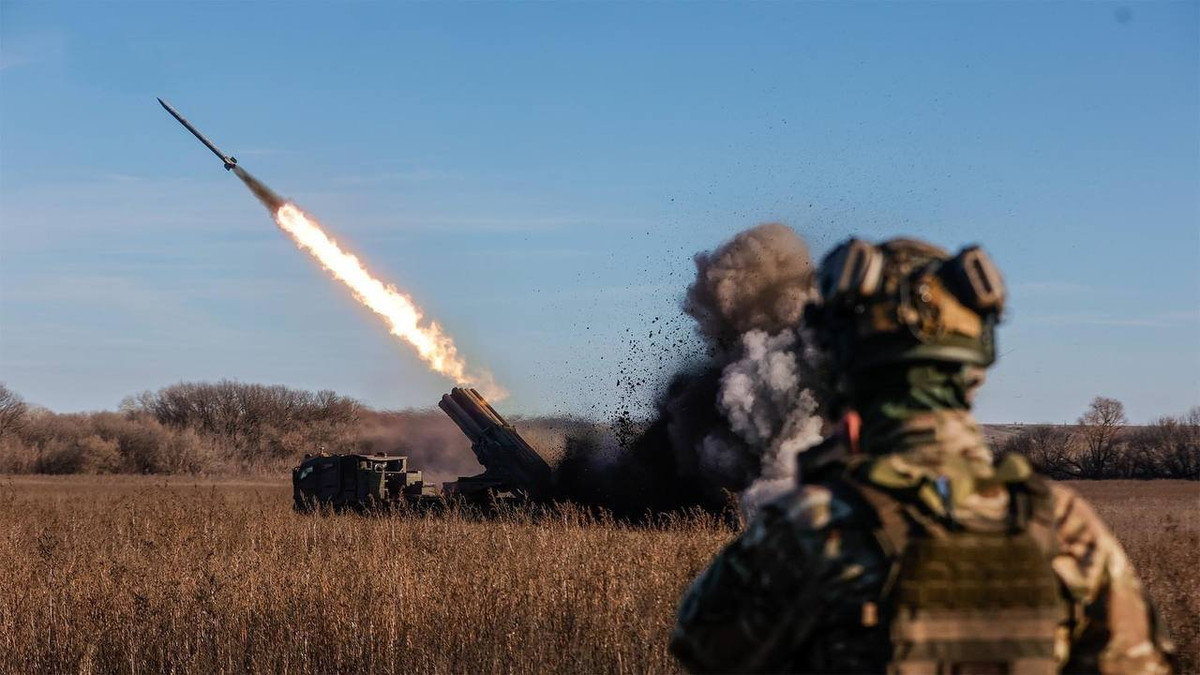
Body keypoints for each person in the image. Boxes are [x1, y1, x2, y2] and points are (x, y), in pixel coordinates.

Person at [670, 237, 1176, 674]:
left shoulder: (809, 529)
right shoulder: (1065, 528)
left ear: (843, 369)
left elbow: (703, 646)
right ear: (974, 370)